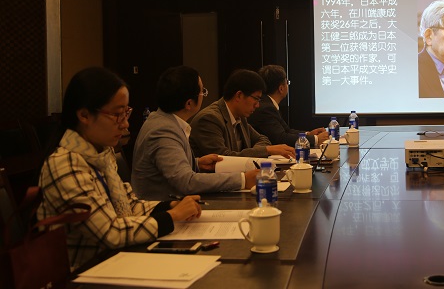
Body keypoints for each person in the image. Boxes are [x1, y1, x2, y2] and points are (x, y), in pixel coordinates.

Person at [37, 67, 202, 270]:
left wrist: (169, 206)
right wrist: (172, 216)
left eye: (126, 113)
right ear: (84, 115)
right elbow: (110, 232)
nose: (125, 125)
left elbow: (130, 205)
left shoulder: (101, 155)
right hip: (83, 273)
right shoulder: (65, 164)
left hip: (113, 262)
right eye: (117, 115)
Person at [131, 66, 259, 201]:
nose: (203, 95)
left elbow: (170, 169)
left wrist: (197, 164)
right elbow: (186, 182)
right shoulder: (163, 131)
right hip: (163, 208)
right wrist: (242, 179)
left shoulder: (164, 121)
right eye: (202, 92)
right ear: (189, 103)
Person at [190, 69, 296, 158]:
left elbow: (263, 139)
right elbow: (223, 158)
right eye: (256, 99)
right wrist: (266, 150)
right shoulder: (209, 119)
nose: (257, 105)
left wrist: (255, 152)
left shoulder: (240, 117)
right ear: (239, 95)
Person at [248, 65, 329, 147]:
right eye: (287, 82)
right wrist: (316, 139)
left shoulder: (268, 104)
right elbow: (281, 138)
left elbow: (287, 131)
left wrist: (308, 134)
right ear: (281, 88)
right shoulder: (266, 108)